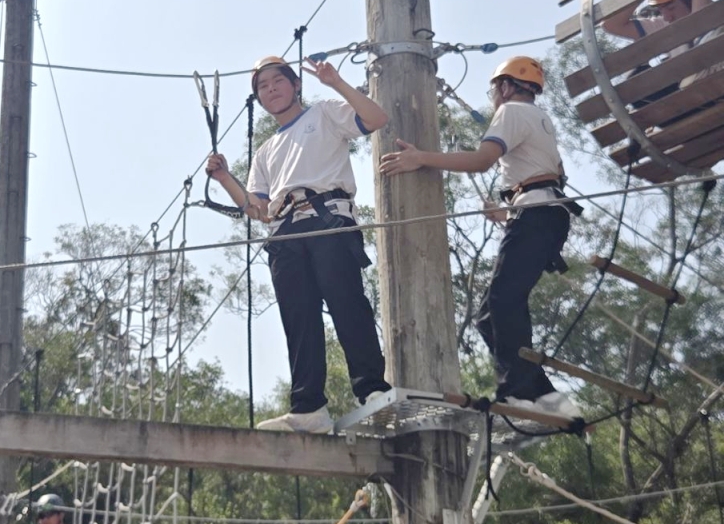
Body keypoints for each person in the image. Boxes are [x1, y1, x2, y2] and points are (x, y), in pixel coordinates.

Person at [380, 56, 582, 420]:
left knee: (501, 304)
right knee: (492, 314)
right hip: (545, 214)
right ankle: (546, 396)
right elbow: (551, 174)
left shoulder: (511, 112)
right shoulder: (541, 119)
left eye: (494, 90)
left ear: (505, 86)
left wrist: (421, 158)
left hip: (537, 214)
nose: (494, 97)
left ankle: (519, 393)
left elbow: (482, 160)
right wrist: (509, 214)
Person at [206, 55, 391, 433]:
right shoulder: (265, 152)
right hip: (285, 233)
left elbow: (376, 119)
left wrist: (336, 82)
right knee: (299, 318)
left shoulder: (323, 114)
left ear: (296, 85)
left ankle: (373, 389)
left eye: (277, 81)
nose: (270, 89)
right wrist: (225, 178)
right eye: (262, 86)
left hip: (328, 218)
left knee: (346, 304)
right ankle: (309, 408)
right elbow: (258, 209)